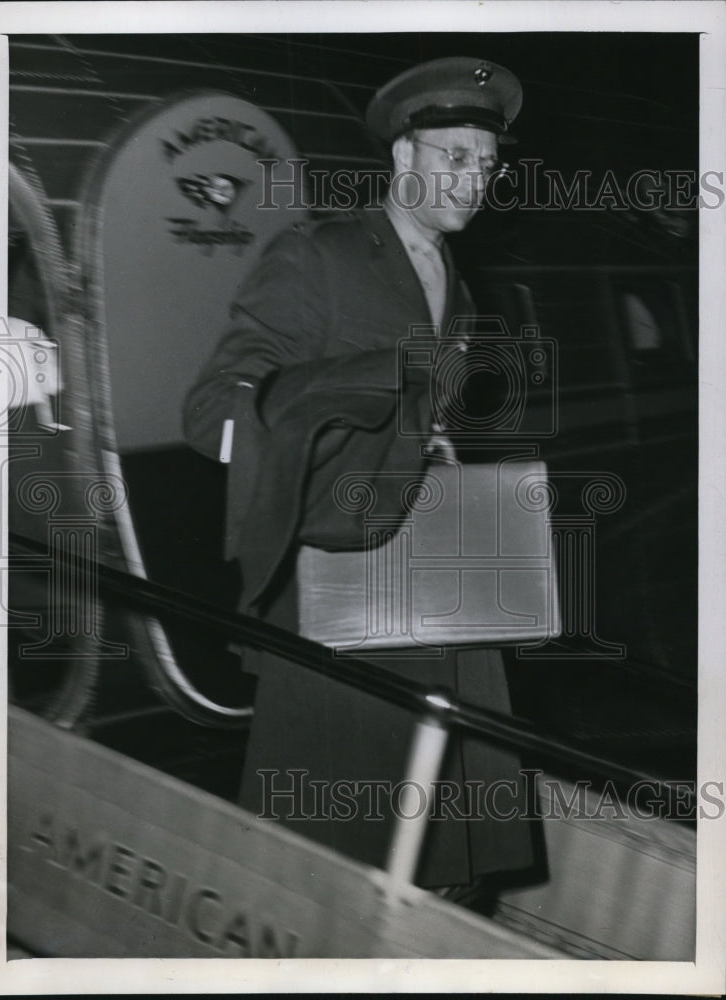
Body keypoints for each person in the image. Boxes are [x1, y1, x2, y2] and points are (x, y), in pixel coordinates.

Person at [183, 56, 535, 898]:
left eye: (485, 164)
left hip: (436, 575)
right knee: (333, 851)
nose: (473, 179)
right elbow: (213, 411)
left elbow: (425, 423)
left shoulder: (457, 283)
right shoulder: (319, 256)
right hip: (344, 582)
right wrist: (342, 430)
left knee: (444, 828)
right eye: (452, 156)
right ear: (403, 158)